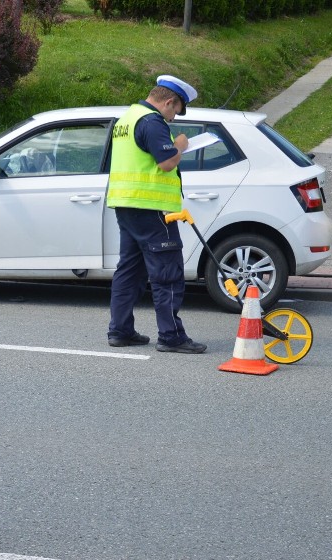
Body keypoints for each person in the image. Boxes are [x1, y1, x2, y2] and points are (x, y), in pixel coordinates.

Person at [106, 75, 207, 354]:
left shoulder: (128, 118)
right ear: (169, 101)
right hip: (152, 209)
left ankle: (120, 330)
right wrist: (182, 145)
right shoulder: (152, 122)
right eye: (175, 110)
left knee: (129, 270)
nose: (173, 117)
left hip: (127, 205)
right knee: (167, 273)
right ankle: (171, 336)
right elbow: (166, 163)